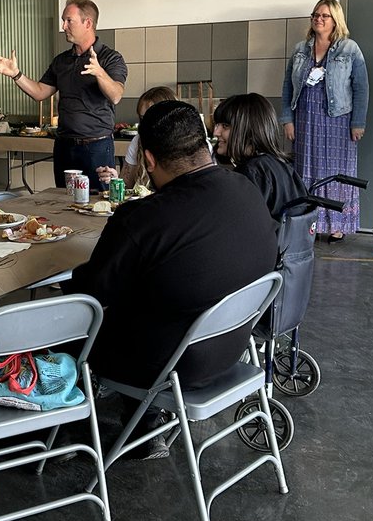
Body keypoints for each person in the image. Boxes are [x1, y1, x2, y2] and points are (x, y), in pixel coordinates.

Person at [64, 101, 278, 456]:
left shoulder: (143, 218)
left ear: (148, 161)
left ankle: (66, 436)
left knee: (67, 328)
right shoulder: (246, 190)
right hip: (232, 347)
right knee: (160, 296)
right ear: (204, 145)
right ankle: (146, 427)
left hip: (172, 363)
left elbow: (88, 294)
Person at [0, 0, 127, 190]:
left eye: (69, 21)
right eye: (63, 20)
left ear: (88, 23)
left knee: (99, 205)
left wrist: (99, 72)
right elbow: (39, 92)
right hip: (64, 146)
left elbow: (116, 95)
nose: (63, 26)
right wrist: (16, 74)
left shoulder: (110, 57)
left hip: (97, 147)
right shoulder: (61, 61)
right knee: (62, 202)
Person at [280, 0, 368, 241]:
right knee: (305, 168)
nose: (318, 19)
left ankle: (337, 225)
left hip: (338, 121)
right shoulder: (300, 49)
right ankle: (310, 222)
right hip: (305, 120)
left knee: (336, 171)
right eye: (315, 15)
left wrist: (358, 122)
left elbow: (361, 88)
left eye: (324, 15)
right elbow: (287, 85)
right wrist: (287, 118)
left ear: (335, 20)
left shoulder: (350, 49)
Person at [214, 94, 309, 225]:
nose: (216, 132)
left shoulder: (251, 172)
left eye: (225, 126)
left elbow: (240, 225)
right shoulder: (278, 164)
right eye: (217, 125)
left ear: (247, 130)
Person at [95, 85, 176, 190]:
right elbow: (126, 185)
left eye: (150, 118)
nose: (145, 125)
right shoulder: (138, 140)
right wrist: (115, 179)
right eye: (142, 119)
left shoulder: (185, 142)